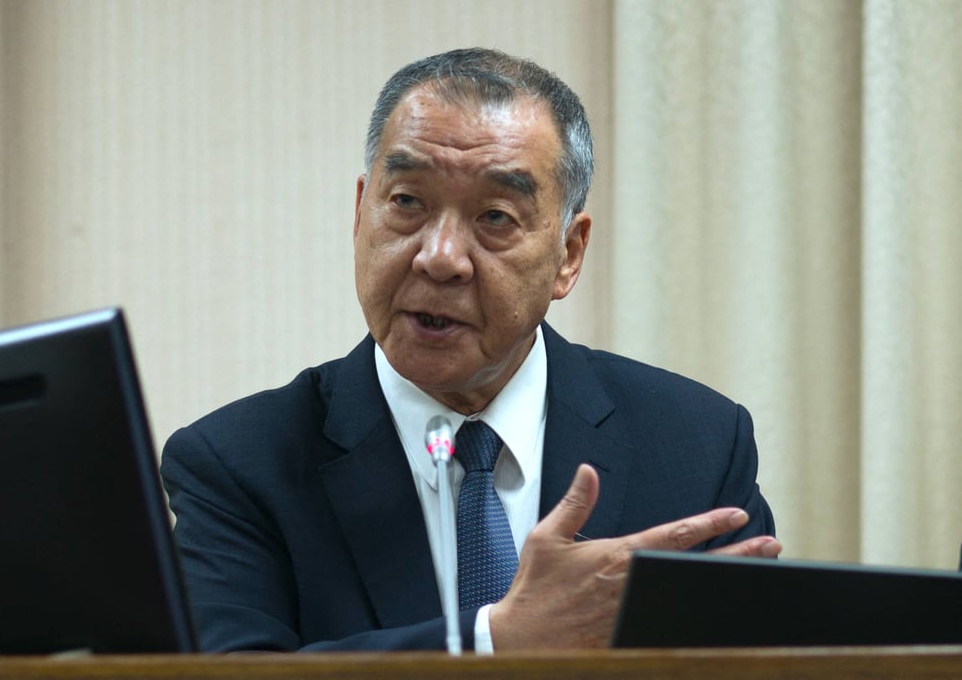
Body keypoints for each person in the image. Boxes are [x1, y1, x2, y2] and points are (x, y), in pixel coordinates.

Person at [160, 47, 781, 653]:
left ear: (568, 255)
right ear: (360, 213)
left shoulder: (695, 444)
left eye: (495, 217)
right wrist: (492, 642)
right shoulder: (237, 464)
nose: (440, 256)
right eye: (407, 203)